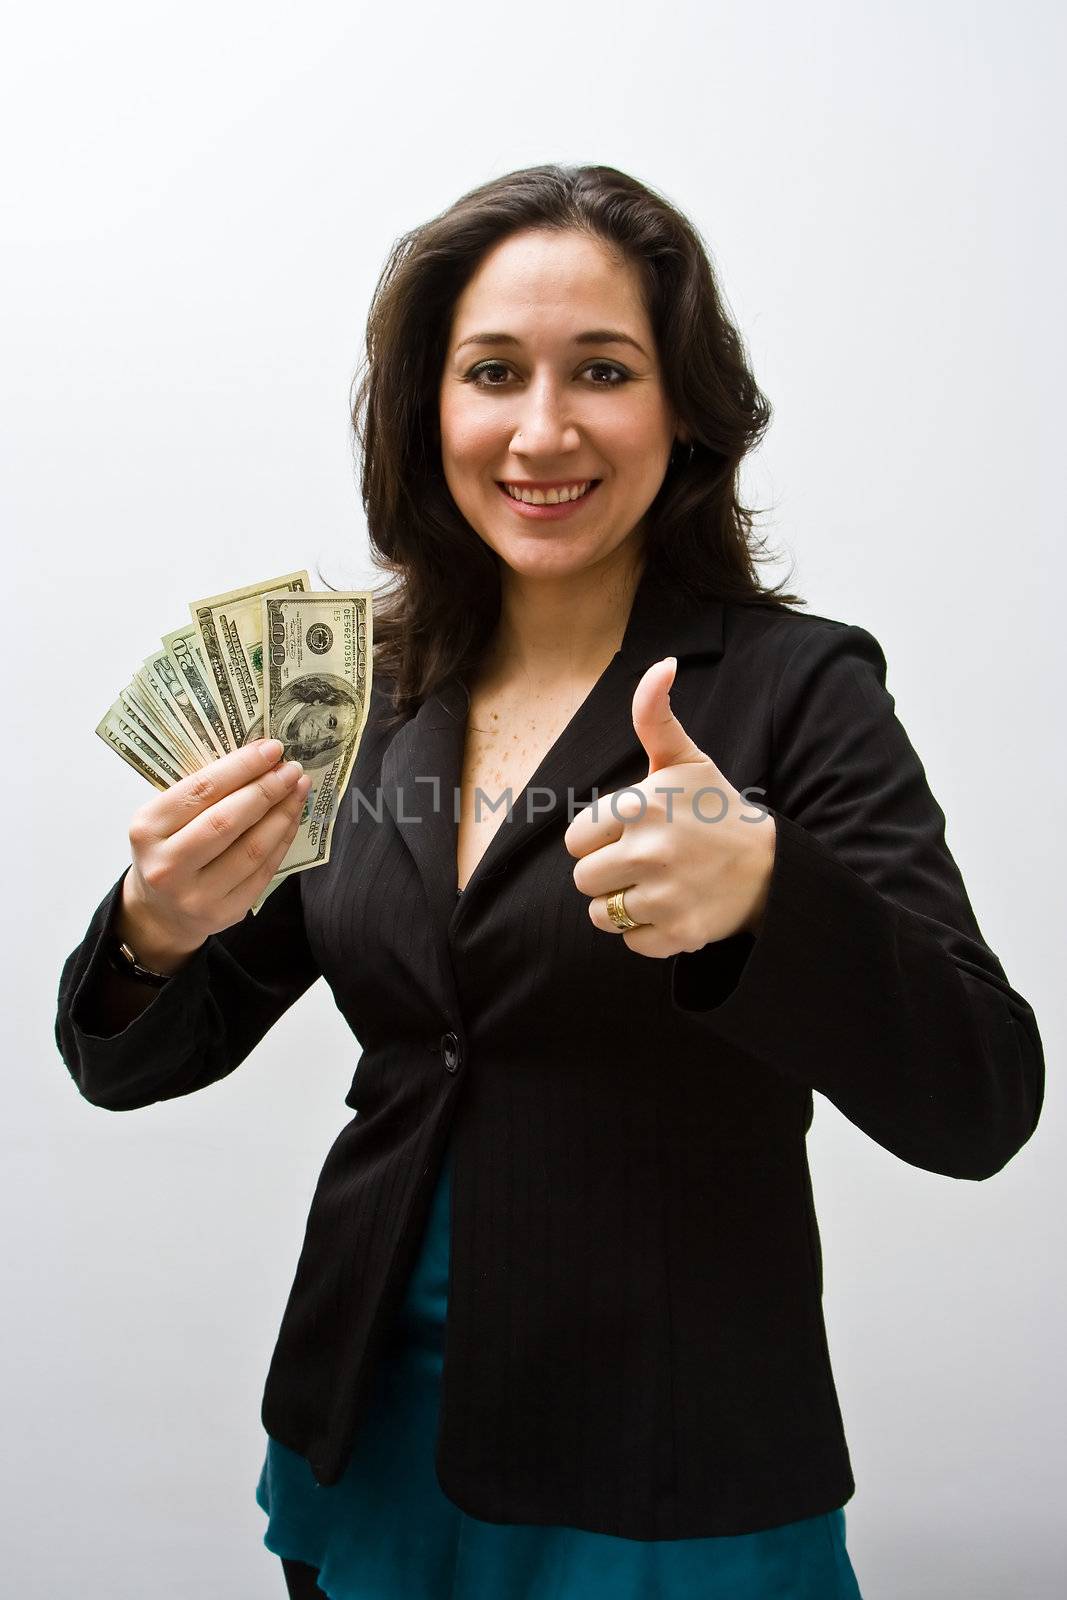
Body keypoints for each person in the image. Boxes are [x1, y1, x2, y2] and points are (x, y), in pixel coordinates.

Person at [55, 164, 1045, 1600]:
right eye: (492, 373)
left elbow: (982, 1101)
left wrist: (768, 897)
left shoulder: (796, 691)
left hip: (666, 1475)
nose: (543, 427)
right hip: (366, 1442)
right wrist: (157, 930)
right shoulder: (352, 694)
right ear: (428, 411)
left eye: (603, 370)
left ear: (684, 407)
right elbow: (127, 1065)